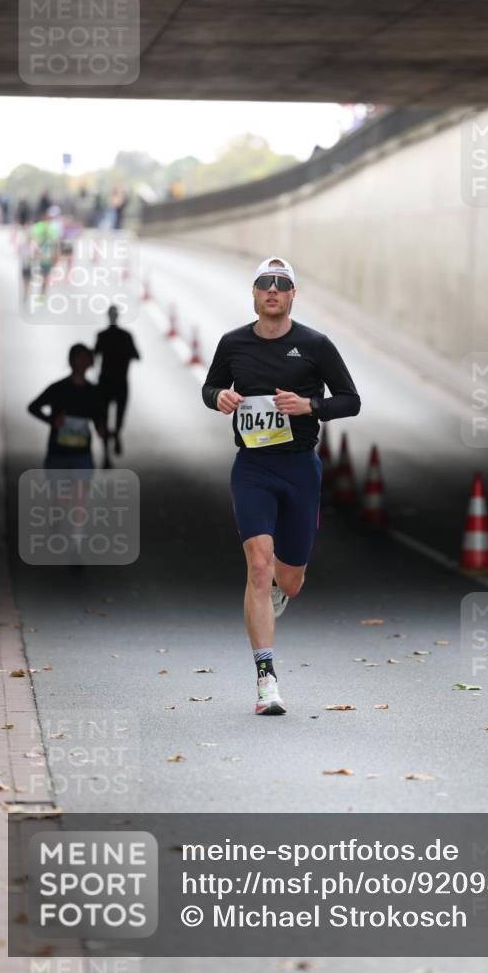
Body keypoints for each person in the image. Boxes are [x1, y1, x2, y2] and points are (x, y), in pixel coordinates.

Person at [202, 256, 361, 715]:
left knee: (289, 581)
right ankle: (266, 680)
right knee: (258, 564)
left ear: (293, 295)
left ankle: (274, 594)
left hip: (299, 469)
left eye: (282, 283)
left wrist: (309, 405)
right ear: (253, 294)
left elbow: (350, 401)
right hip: (252, 468)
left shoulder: (315, 344)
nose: (272, 289)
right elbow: (210, 388)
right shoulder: (232, 344)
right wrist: (220, 397)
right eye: (264, 283)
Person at [27, 345, 106, 566]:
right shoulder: (58, 389)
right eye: (78, 359)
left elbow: (99, 416)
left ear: (90, 363)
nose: (82, 363)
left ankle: (76, 549)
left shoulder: (93, 392)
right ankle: (58, 517)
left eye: (86, 359)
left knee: (79, 502)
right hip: (58, 455)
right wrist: (52, 421)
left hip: (82, 456)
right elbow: (33, 407)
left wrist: (101, 429)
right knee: (61, 501)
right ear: (71, 361)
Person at [94, 305, 140, 466]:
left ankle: (106, 454)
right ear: (118, 317)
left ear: (108, 317)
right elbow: (137, 356)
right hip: (121, 381)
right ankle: (117, 434)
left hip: (105, 381)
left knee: (104, 417)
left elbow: (94, 357)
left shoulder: (102, 335)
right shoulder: (126, 336)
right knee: (119, 416)